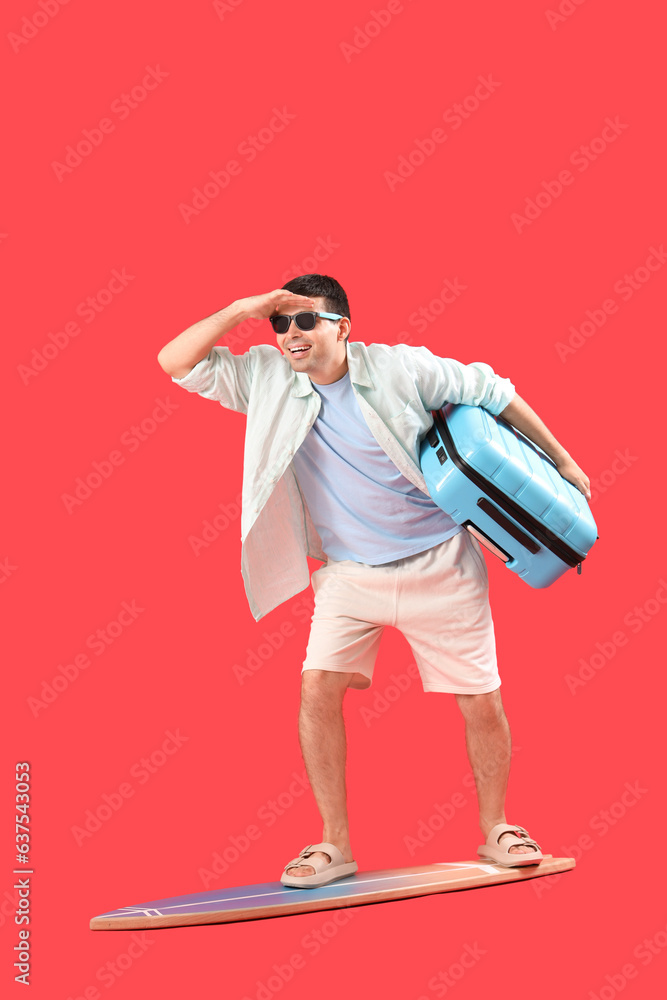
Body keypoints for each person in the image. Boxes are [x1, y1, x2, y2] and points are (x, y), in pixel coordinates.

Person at [157, 274, 591, 889]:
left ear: (344, 326)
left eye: (306, 320)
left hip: (438, 559)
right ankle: (334, 845)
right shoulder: (266, 377)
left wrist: (564, 460)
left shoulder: (400, 369)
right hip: (348, 572)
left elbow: (494, 390)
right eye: (281, 324)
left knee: (482, 700)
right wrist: (242, 308)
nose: (290, 334)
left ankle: (498, 827)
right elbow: (174, 361)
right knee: (315, 692)